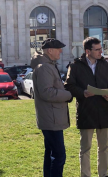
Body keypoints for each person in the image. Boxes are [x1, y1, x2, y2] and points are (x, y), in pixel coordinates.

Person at [64, 37, 108, 177]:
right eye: (97, 49)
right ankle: (85, 175)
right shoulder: (75, 66)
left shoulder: (105, 65)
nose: (101, 52)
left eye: (101, 48)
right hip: (86, 111)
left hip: (104, 111)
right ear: (88, 51)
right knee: (85, 148)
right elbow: (68, 86)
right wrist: (82, 93)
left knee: (104, 147)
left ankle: (103, 175)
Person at [30, 38, 73, 177]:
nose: (61, 51)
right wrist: (68, 95)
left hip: (51, 117)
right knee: (59, 156)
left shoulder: (47, 65)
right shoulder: (45, 67)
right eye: (58, 48)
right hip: (51, 118)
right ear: (50, 50)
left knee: (51, 153)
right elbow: (47, 92)